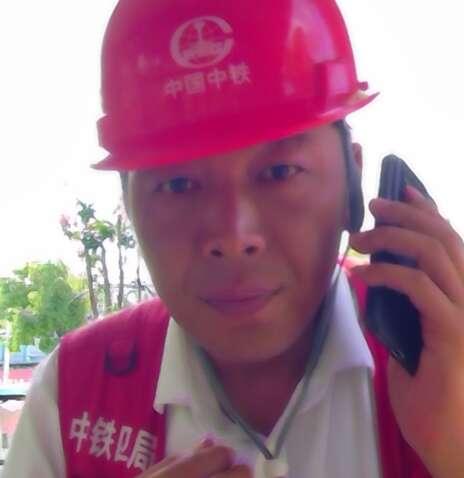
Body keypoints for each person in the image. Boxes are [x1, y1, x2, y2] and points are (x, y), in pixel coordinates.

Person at [4, 1, 464, 477]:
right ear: (130, 209)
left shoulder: (445, 362)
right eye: (178, 185)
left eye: (280, 172)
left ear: (352, 187)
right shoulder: (72, 396)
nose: (233, 235)